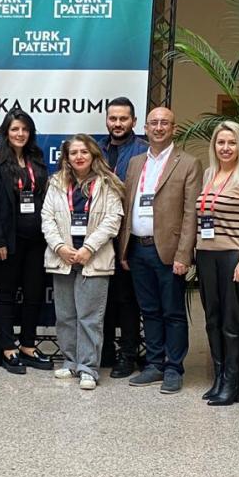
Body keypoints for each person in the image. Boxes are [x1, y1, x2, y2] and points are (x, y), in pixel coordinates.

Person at [119, 106, 200, 395]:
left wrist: (184, 254)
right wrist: (124, 250)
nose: (158, 127)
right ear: (145, 128)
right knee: (149, 310)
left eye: (165, 123)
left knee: (173, 312)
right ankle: (154, 364)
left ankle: (173, 368)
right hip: (137, 248)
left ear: (174, 128)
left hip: (168, 250)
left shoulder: (188, 163)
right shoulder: (135, 162)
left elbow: (191, 213)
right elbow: (128, 205)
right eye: (153, 122)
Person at [42, 134, 124, 390]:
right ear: (66, 158)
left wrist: (88, 248)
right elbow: (47, 218)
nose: (79, 157)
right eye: (74, 153)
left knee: (89, 318)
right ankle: (70, 361)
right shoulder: (56, 183)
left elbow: (113, 219)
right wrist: (59, 247)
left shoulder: (107, 183)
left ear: (93, 155)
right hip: (63, 258)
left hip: (94, 258)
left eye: (84, 152)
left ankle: (88, 368)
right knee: (66, 316)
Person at [194, 121, 239, 406]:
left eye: (231, 143)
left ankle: (233, 384)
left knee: (231, 321)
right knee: (212, 319)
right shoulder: (209, 174)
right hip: (206, 254)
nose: (225, 148)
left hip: (233, 256)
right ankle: (219, 377)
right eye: (221, 142)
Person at [0, 109, 50, 374]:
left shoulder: (37, 160)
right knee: (6, 295)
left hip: (36, 241)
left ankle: (28, 346)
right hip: (7, 242)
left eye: (24, 129)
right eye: (15, 129)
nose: (20, 134)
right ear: (5, 132)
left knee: (33, 294)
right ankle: (8, 348)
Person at [98, 97, 147, 377]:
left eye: (123, 119)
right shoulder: (96, 149)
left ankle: (127, 355)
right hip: (99, 236)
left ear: (133, 121)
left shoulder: (143, 151)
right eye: (113, 118)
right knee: (101, 298)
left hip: (128, 237)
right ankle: (104, 351)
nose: (117, 124)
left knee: (128, 300)